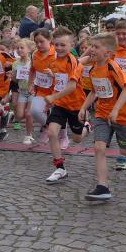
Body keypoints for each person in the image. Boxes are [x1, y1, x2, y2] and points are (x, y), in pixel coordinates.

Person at [78, 33, 126, 201]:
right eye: (91, 46)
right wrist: (83, 107)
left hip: (122, 116)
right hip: (102, 114)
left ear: (108, 53)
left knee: (125, 150)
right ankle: (103, 187)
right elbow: (94, 91)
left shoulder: (112, 67)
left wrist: (116, 109)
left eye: (96, 47)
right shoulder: (93, 69)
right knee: (99, 148)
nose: (91, 50)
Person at [43, 27, 87, 183]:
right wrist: (52, 101)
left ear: (71, 45)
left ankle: (87, 127)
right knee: (51, 132)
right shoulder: (54, 61)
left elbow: (72, 86)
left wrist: (53, 97)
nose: (59, 48)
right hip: (60, 105)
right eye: (56, 45)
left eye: (63, 45)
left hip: (76, 105)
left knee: (77, 139)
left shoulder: (73, 61)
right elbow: (58, 83)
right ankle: (60, 168)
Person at [29, 28, 56, 143]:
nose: (39, 44)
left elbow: (66, 73)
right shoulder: (34, 54)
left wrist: (53, 74)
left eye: (41, 41)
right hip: (41, 90)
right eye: (36, 42)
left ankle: (62, 136)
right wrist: (30, 84)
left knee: (60, 116)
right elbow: (32, 70)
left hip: (57, 91)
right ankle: (48, 127)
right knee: (35, 110)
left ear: (49, 39)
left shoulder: (57, 54)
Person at [12, 38, 36, 144]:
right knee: (19, 115)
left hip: (32, 92)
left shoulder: (33, 62)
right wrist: (13, 75)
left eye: (22, 48)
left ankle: (28, 135)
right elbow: (15, 80)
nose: (19, 50)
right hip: (22, 91)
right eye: (17, 48)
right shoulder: (15, 63)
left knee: (28, 113)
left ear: (29, 49)